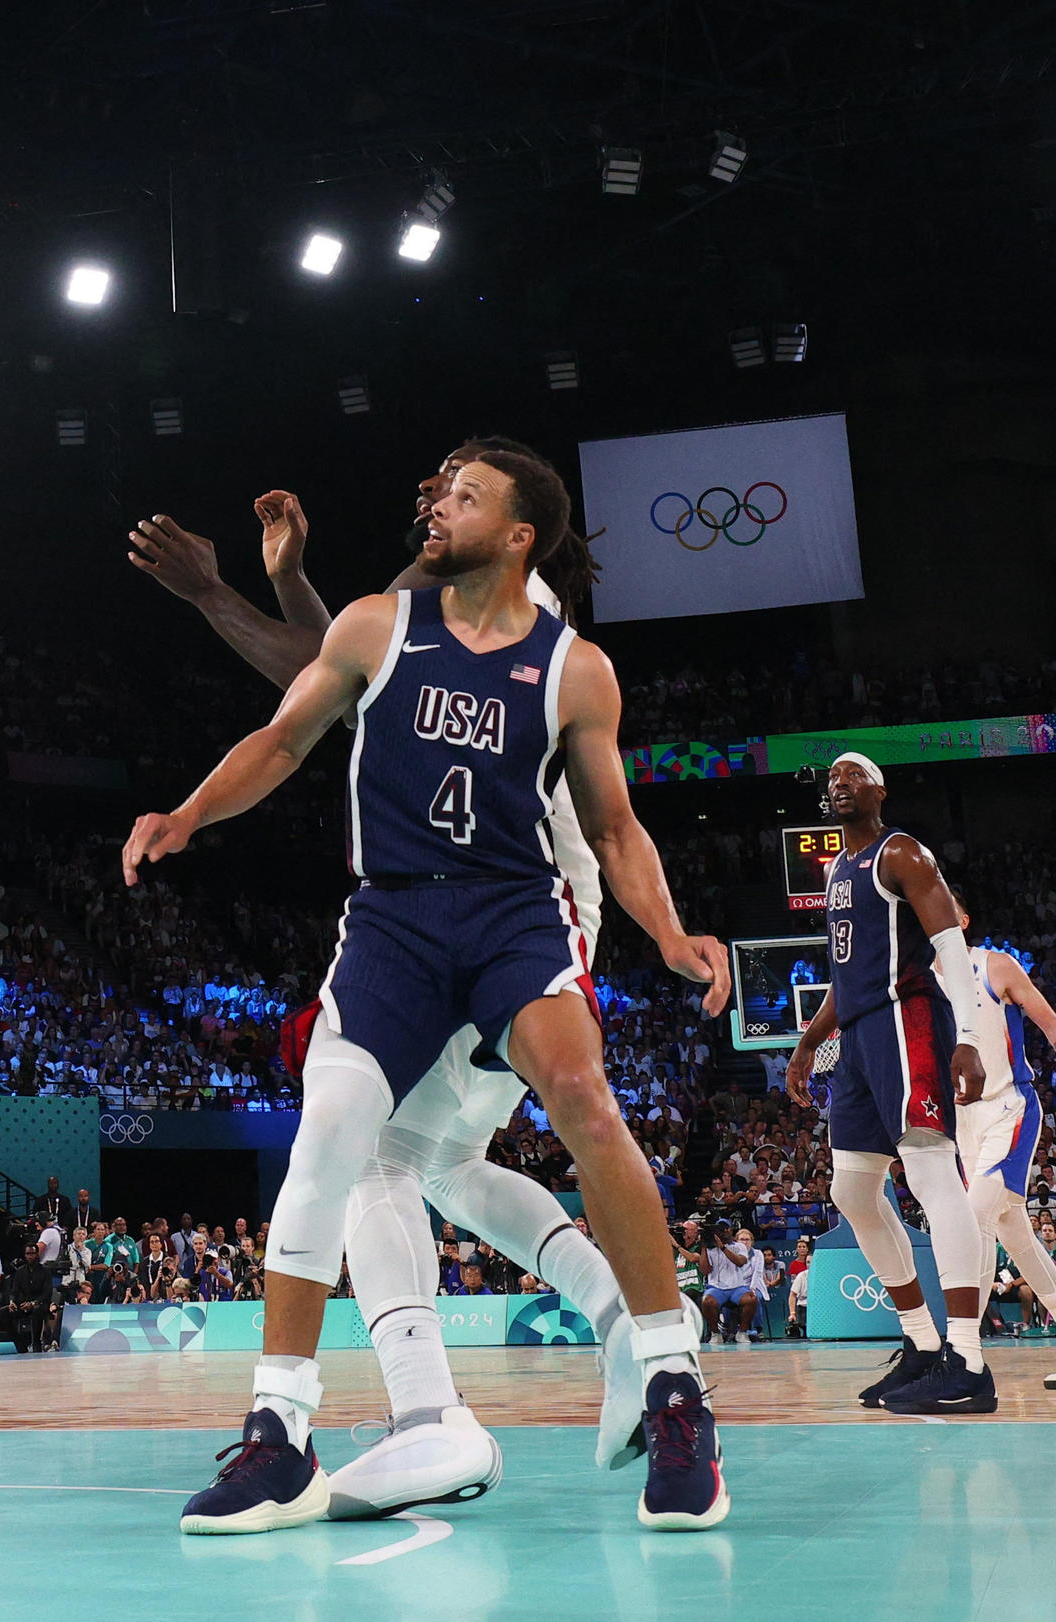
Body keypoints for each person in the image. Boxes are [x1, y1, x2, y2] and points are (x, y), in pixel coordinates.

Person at [124, 446, 733, 1535]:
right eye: (435, 486)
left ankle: (605, 1384)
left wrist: (670, 929)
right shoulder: (396, 609)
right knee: (400, 1150)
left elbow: (605, 819)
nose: (431, 498)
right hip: (403, 908)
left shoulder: (555, 651)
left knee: (427, 1148)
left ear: (516, 534)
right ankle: (317, 1418)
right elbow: (328, 684)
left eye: (460, 490)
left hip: (524, 900)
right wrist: (187, 804)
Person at [784, 756, 994, 1415]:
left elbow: (950, 944)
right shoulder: (837, 871)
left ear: (880, 790)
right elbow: (848, 974)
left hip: (909, 1021)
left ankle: (968, 1359)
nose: (838, 783)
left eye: (852, 775)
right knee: (851, 1189)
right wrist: (812, 1039)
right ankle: (923, 1343)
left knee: (931, 1173)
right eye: (832, 778)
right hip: (859, 1036)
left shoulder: (900, 852)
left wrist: (969, 1036)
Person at [953, 936, 1056, 1388]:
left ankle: (961, 1354)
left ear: (959, 920)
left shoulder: (994, 965)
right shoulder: (918, 977)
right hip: (961, 1120)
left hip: (1008, 1107)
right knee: (1016, 1236)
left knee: (975, 1220)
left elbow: (1051, 1024)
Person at [698, 1225, 766, 1345]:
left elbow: (740, 1262)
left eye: (725, 1230)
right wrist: (704, 1246)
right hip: (716, 1288)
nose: (723, 1233)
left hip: (737, 1287)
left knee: (752, 1298)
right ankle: (715, 1333)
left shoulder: (739, 1246)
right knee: (706, 1301)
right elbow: (704, 1271)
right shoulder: (710, 1248)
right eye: (719, 1231)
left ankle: (743, 1332)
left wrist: (723, 1247)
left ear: (729, 1232)